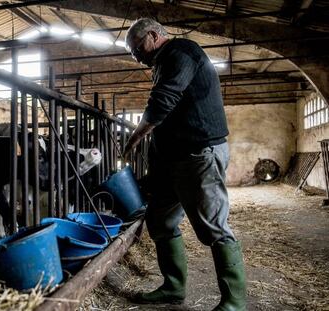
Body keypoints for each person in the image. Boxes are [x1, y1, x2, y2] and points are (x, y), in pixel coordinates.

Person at [122, 18, 246, 310]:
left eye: (137, 50)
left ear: (153, 36)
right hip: (173, 158)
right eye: (132, 55)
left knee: (213, 226)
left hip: (198, 153)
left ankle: (234, 302)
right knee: (160, 220)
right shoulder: (164, 61)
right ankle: (173, 287)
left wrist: (135, 137)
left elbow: (163, 100)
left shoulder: (181, 52)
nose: (137, 58)